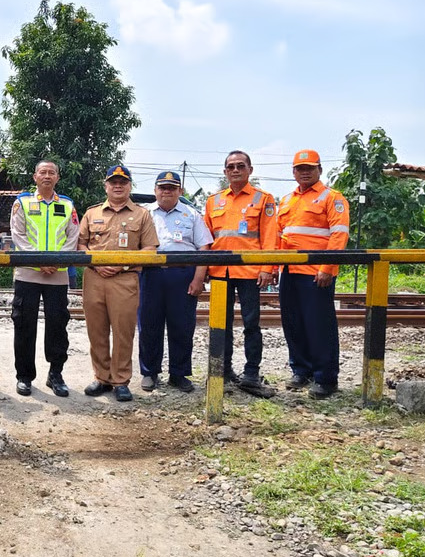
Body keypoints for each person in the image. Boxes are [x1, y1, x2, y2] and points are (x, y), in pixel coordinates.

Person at [78, 165, 159, 402]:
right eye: (113, 182)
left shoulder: (142, 215)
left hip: (125, 279)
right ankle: (102, 377)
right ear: (106, 186)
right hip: (94, 278)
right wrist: (95, 263)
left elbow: (150, 249)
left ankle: (121, 381)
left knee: (123, 332)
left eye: (122, 182)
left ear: (130, 186)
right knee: (97, 331)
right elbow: (81, 245)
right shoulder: (92, 213)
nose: (117, 186)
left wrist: (123, 264)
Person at [276, 149, 350, 399]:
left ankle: (326, 378)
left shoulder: (332, 198)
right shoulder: (286, 200)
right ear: (293, 172)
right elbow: (280, 235)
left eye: (309, 167)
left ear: (320, 169)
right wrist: (275, 267)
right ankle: (301, 370)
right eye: (300, 168)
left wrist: (327, 268)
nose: (304, 172)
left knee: (319, 326)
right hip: (290, 271)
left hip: (316, 273)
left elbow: (339, 235)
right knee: (293, 323)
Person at [203, 151, 278, 397]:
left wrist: (268, 268)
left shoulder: (262, 199)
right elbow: (206, 237)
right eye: (231, 167)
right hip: (220, 272)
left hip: (249, 272)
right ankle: (222, 371)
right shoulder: (213, 201)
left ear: (250, 170)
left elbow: (269, 235)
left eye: (240, 166)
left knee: (251, 325)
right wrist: (203, 268)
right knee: (220, 325)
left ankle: (251, 374)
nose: (235, 170)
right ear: (225, 171)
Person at [9, 160, 79, 397]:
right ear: (35, 176)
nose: (47, 176)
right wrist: (39, 260)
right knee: (24, 325)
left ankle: (56, 374)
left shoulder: (67, 205)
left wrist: (57, 261)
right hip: (28, 273)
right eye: (43, 172)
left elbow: (73, 237)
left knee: (58, 326)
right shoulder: (22, 203)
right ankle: (24, 376)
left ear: (57, 178)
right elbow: (18, 235)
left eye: (52, 172)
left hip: (57, 275)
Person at [138, 171, 212, 393]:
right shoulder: (144, 214)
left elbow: (204, 247)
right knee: (149, 325)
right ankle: (149, 372)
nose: (167, 191)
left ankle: (178, 373)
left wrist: (199, 278)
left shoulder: (192, 215)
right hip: (151, 274)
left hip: (182, 276)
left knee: (182, 326)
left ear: (180, 191)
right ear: (155, 191)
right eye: (162, 187)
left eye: (172, 187)